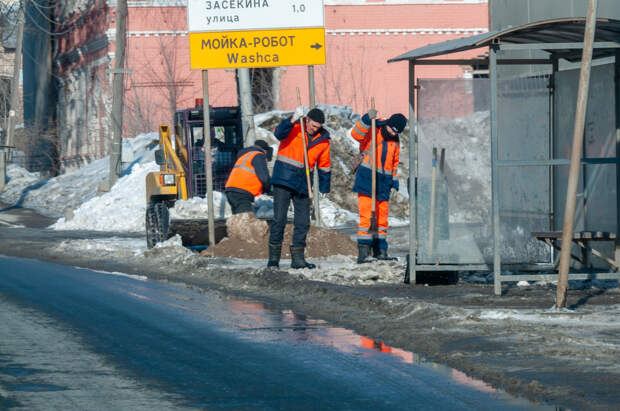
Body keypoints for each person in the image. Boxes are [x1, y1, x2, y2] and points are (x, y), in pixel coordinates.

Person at [267, 107, 331, 269]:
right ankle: (273, 260)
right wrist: (291, 118)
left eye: (317, 127)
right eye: (312, 125)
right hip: (284, 178)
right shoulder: (294, 127)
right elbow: (278, 134)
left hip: (304, 183)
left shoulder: (323, 141)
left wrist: (324, 187)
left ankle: (298, 259)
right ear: (307, 119)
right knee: (279, 219)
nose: (314, 129)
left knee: (303, 222)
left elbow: (324, 166)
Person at [350, 109, 407, 263]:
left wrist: (393, 179)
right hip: (367, 178)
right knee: (367, 217)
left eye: (397, 132)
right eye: (392, 129)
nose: (393, 133)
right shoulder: (374, 129)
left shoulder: (395, 140)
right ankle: (364, 253)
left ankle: (381, 250)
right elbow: (355, 134)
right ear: (388, 123)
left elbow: (394, 161)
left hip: (384, 183)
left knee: (382, 218)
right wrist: (367, 118)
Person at [224, 139, 272, 214]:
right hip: (242, 193)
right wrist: (270, 189)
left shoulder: (246, 155)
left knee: (239, 219)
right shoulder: (258, 155)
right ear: (264, 150)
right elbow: (264, 177)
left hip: (231, 190)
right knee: (246, 220)